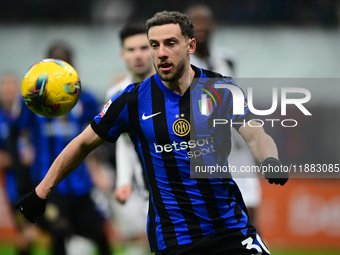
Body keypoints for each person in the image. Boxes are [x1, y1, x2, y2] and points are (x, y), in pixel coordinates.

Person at [15, 11, 288, 255]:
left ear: (190, 45)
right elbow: (82, 144)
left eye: (170, 43)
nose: (160, 53)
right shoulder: (131, 101)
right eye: (154, 45)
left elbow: (255, 132)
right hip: (175, 238)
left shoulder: (220, 88)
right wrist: (40, 192)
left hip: (231, 228)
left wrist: (270, 160)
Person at [16, 42, 112, 255]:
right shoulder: (31, 99)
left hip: (80, 184)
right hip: (48, 182)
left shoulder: (86, 99)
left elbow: (93, 139)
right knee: (59, 230)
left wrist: (96, 171)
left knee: (99, 232)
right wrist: (25, 148)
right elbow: (19, 130)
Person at [186, 4, 261, 226]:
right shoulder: (183, 64)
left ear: (212, 25)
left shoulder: (227, 58)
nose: (200, 27)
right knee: (211, 216)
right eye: (194, 22)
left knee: (251, 207)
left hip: (235, 146)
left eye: (204, 21)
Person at [104, 23, 155, 255]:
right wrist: (123, 181)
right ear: (122, 54)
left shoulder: (177, 86)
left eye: (144, 48)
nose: (138, 55)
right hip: (146, 188)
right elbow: (124, 143)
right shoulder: (115, 94)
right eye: (131, 49)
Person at [0, 73, 35, 255]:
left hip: (33, 177)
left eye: (12, 87)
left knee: (31, 234)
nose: (9, 91)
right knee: (27, 233)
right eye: (5, 87)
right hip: (14, 182)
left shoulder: (27, 112)